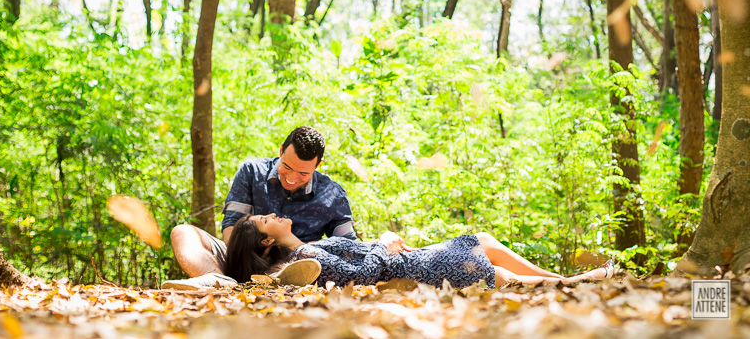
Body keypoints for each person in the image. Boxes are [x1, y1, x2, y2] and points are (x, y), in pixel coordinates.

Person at [162, 126, 356, 290]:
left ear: (318, 165)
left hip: (295, 264)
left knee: (302, 265)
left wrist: (310, 248)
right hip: (237, 256)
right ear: (281, 150)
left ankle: (279, 279)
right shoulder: (252, 172)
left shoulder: (333, 195)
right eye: (287, 167)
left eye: (302, 174)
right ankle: (217, 280)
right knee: (182, 232)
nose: (291, 178)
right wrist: (238, 263)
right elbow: (231, 223)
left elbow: (349, 248)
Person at [224, 213, 616, 289]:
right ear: (267, 241)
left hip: (411, 258)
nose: (273, 215)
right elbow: (361, 277)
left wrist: (383, 242)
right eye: (264, 220)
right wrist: (382, 243)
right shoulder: (303, 262)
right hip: (409, 268)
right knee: (494, 271)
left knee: (483, 241)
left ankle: (560, 278)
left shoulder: (308, 246)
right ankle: (572, 282)